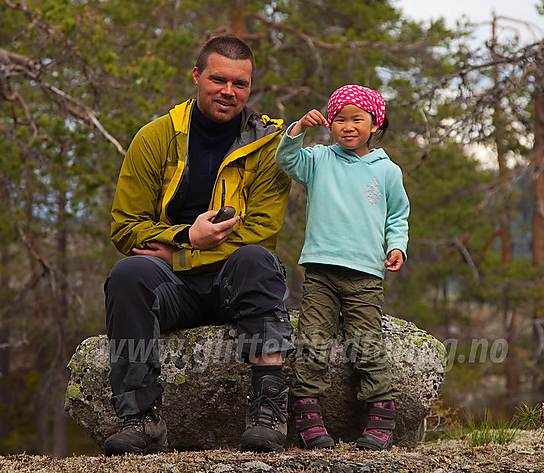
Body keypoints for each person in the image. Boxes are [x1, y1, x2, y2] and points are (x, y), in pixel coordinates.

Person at [102, 36, 294, 455]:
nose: (229, 91)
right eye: (218, 79)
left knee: (257, 259)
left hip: (233, 285)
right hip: (172, 287)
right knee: (128, 274)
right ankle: (140, 418)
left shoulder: (268, 146)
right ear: (196, 76)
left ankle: (268, 409)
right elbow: (125, 227)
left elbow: (260, 232)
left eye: (240, 84)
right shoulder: (154, 138)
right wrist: (186, 237)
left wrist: (186, 251)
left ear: (250, 87)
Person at [274, 84, 410, 450]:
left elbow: (398, 215)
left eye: (357, 119)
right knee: (312, 341)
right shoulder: (318, 160)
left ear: (374, 123)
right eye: (339, 119)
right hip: (320, 271)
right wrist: (297, 129)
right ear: (329, 123)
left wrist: (397, 245)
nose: (348, 126)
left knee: (366, 344)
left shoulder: (386, 171)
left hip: (365, 274)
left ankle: (382, 414)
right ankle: (307, 414)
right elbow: (286, 161)